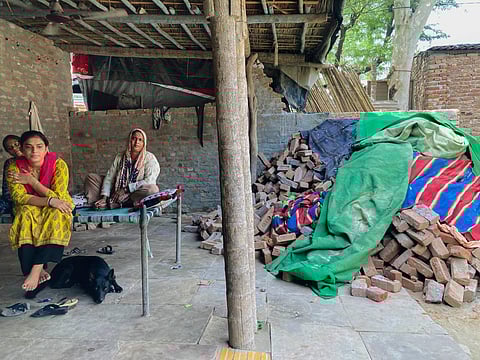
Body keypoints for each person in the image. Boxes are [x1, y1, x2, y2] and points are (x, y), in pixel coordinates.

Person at [7, 131, 73, 294]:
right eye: (28, 147)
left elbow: (59, 195)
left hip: (57, 204)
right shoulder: (14, 167)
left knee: (57, 215)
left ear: (46, 149)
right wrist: (48, 201)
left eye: (39, 147)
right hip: (32, 205)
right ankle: (37, 271)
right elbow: (19, 197)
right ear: (22, 149)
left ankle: (35, 270)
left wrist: (31, 181)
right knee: (25, 215)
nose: (34, 151)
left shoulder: (58, 165)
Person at [84, 128, 160, 209]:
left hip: (134, 194)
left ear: (144, 143)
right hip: (116, 191)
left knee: (152, 189)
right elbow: (109, 177)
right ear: (129, 140)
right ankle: (101, 203)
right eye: (134, 138)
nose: (136, 142)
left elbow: (149, 181)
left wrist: (126, 189)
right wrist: (104, 197)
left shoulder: (150, 158)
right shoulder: (120, 156)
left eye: (140, 140)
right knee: (91, 178)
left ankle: (122, 204)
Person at [0, 135, 23, 215]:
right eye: (10, 148)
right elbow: (6, 188)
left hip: (31, 197)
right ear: (8, 152)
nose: (14, 149)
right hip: (13, 197)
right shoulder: (10, 163)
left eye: (17, 144)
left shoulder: (34, 159)